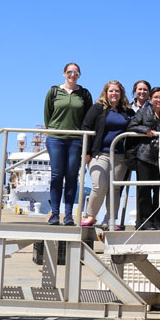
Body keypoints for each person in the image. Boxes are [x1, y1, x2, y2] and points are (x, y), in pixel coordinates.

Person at [43, 62, 93, 226]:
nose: (73, 75)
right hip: (56, 138)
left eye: (76, 73)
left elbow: (88, 119)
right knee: (57, 175)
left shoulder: (84, 94)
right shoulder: (54, 91)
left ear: (79, 75)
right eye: (70, 72)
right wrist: (52, 131)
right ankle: (55, 214)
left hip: (76, 140)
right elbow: (48, 115)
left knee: (72, 176)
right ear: (64, 73)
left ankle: (69, 215)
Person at [80, 81, 134, 228]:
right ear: (106, 93)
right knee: (99, 185)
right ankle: (91, 215)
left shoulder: (127, 111)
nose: (114, 94)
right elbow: (86, 127)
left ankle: (111, 219)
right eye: (111, 91)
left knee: (115, 188)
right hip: (100, 153)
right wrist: (86, 152)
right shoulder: (98, 108)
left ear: (121, 93)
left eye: (116, 91)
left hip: (119, 156)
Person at [127, 86, 160, 230]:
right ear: (151, 99)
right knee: (144, 191)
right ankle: (145, 222)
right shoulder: (143, 111)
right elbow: (132, 125)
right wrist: (145, 130)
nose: (158, 100)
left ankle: (158, 222)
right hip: (145, 155)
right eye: (156, 97)